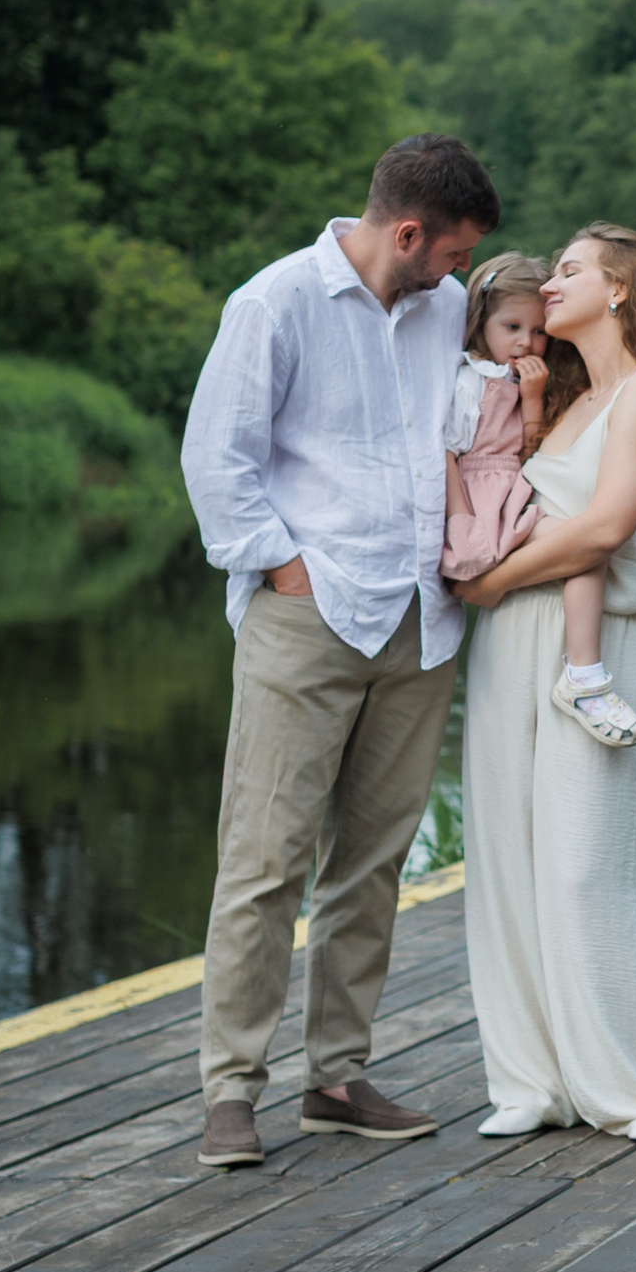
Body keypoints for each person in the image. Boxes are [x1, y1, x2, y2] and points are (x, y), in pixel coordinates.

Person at [181, 133, 500, 1168]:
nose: (459, 274)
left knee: (374, 861)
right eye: (451, 253)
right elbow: (215, 459)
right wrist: (283, 567)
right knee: (265, 859)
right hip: (308, 619)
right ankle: (231, 1087)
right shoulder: (272, 303)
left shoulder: (446, 309)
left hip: (420, 621)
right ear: (406, 231)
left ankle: (337, 1075)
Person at [449, 224, 636, 1143]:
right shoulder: (564, 401)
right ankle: (529, 1081)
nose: (550, 282)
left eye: (569, 270)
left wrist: (487, 580)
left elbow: (606, 530)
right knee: (505, 864)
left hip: (591, 641)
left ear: (620, 290)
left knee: (584, 867)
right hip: (506, 648)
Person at [440, 253, 552, 582]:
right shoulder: (471, 382)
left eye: (539, 332)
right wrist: (460, 518)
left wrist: (533, 397)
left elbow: (531, 450)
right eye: (512, 327)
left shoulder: (523, 383)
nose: (526, 342)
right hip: (476, 499)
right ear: (482, 322)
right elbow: (447, 455)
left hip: (513, 491)